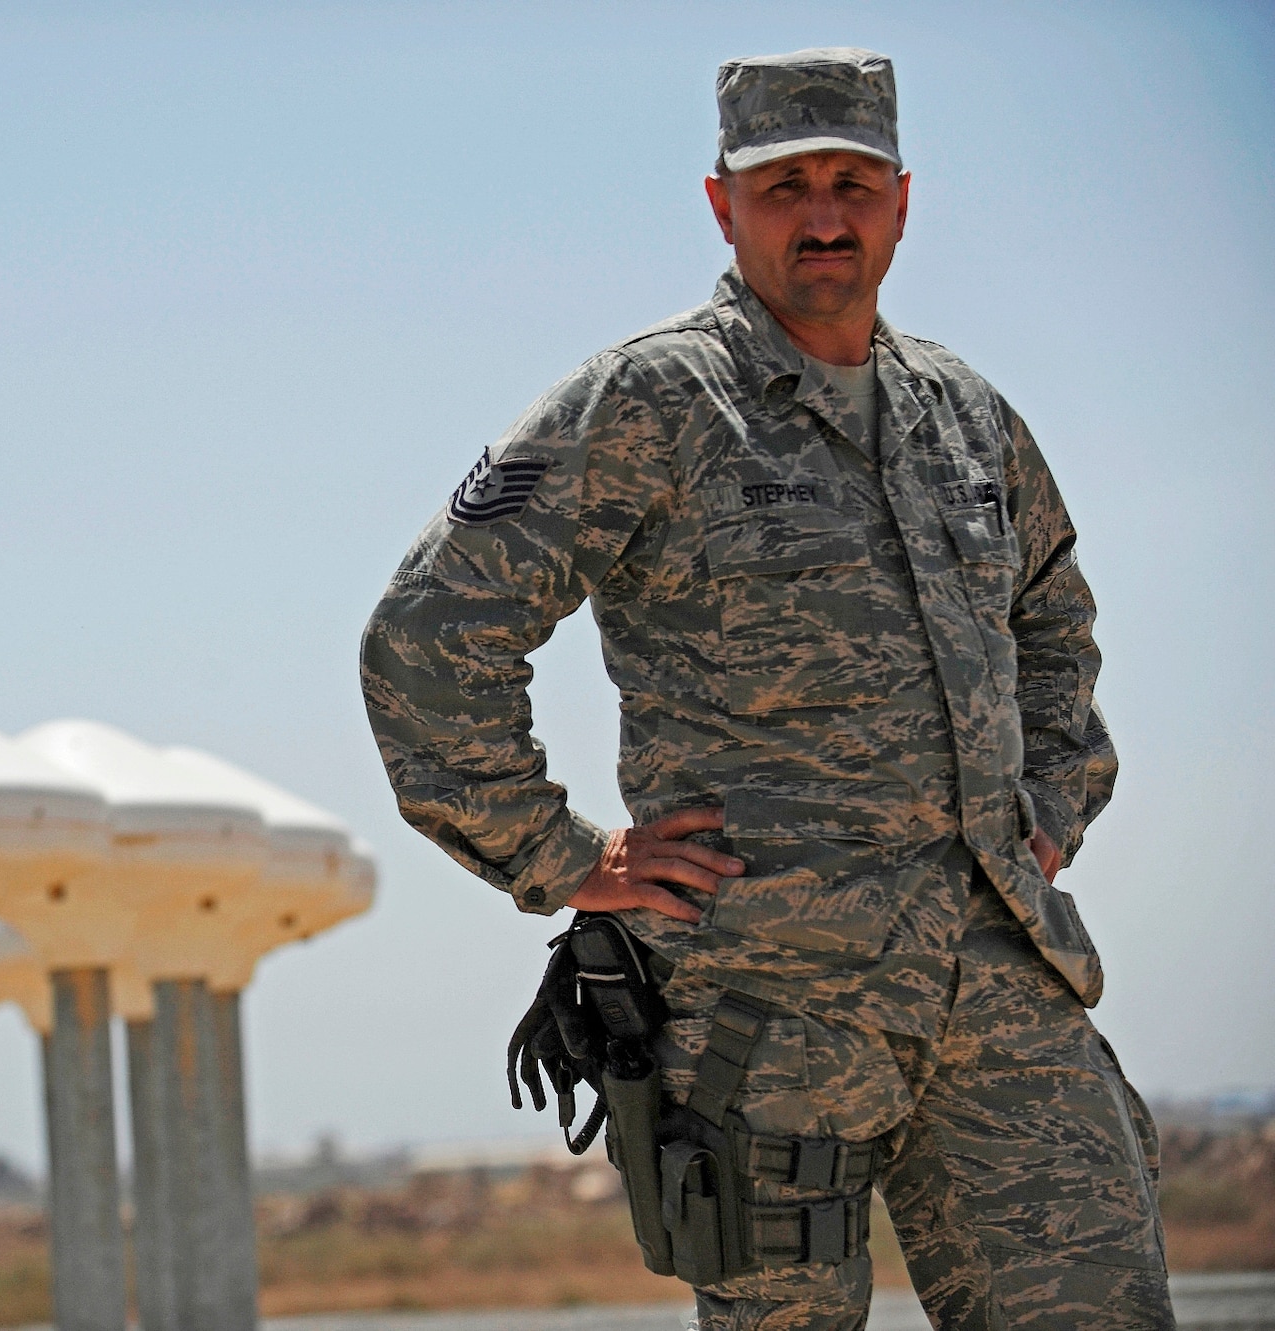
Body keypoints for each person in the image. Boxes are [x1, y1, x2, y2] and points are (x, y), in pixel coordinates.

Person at [361, 47, 1173, 1330]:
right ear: (720, 203)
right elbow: (428, 630)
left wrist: (1054, 800)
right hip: (763, 1018)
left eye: (850, 182)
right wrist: (560, 853)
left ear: (901, 201)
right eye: (783, 185)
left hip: (996, 987)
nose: (823, 215)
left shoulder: (964, 415)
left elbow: (1052, 618)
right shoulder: (651, 403)